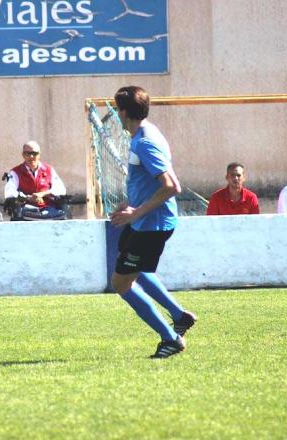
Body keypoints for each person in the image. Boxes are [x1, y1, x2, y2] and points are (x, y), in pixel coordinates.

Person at [110, 86, 197, 359]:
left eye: (116, 110)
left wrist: (136, 213)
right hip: (146, 221)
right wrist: (131, 202)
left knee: (121, 283)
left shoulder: (144, 142)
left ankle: (171, 339)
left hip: (150, 225)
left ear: (123, 112)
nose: (116, 115)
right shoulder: (148, 133)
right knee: (137, 270)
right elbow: (158, 180)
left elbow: (171, 186)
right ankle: (178, 316)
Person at [4, 140, 67, 219]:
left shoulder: (49, 170)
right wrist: (28, 198)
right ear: (23, 155)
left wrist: (42, 194)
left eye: (34, 153)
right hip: (26, 212)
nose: (31, 157)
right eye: (28, 154)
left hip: (49, 211)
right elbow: (9, 192)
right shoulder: (15, 172)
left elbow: (61, 189)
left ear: (39, 155)